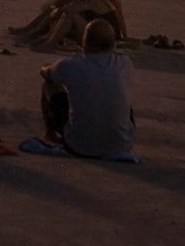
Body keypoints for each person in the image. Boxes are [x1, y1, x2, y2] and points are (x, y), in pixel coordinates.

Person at [41, 19, 134, 159]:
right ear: (113, 43)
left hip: (79, 146)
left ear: (85, 42)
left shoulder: (71, 65)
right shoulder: (126, 62)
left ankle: (49, 134)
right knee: (119, 95)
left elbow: (46, 73)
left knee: (49, 85)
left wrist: (49, 66)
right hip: (122, 145)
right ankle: (115, 133)